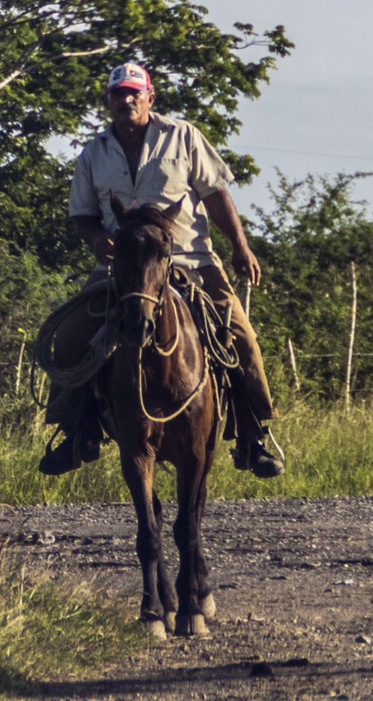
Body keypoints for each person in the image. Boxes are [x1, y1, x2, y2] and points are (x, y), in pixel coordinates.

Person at [38, 61, 285, 478]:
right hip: (123, 266)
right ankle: (75, 432)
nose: (127, 100)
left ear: (150, 97)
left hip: (190, 258)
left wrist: (240, 247)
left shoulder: (183, 136)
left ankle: (253, 434)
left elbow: (215, 194)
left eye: (135, 92)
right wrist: (97, 239)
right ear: (108, 102)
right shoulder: (93, 153)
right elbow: (82, 215)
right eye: (119, 94)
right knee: (73, 333)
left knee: (241, 334)